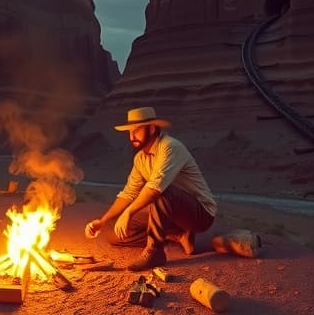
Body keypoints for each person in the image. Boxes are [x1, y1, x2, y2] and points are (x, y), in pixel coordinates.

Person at [84, 107, 217, 271]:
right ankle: (178, 235)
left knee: (161, 192)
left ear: (152, 128)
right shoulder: (140, 158)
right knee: (115, 232)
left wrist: (128, 212)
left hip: (199, 214)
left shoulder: (170, 146)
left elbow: (155, 188)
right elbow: (128, 193)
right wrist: (102, 221)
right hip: (169, 212)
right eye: (129, 131)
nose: (132, 136)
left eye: (137, 130)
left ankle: (155, 253)